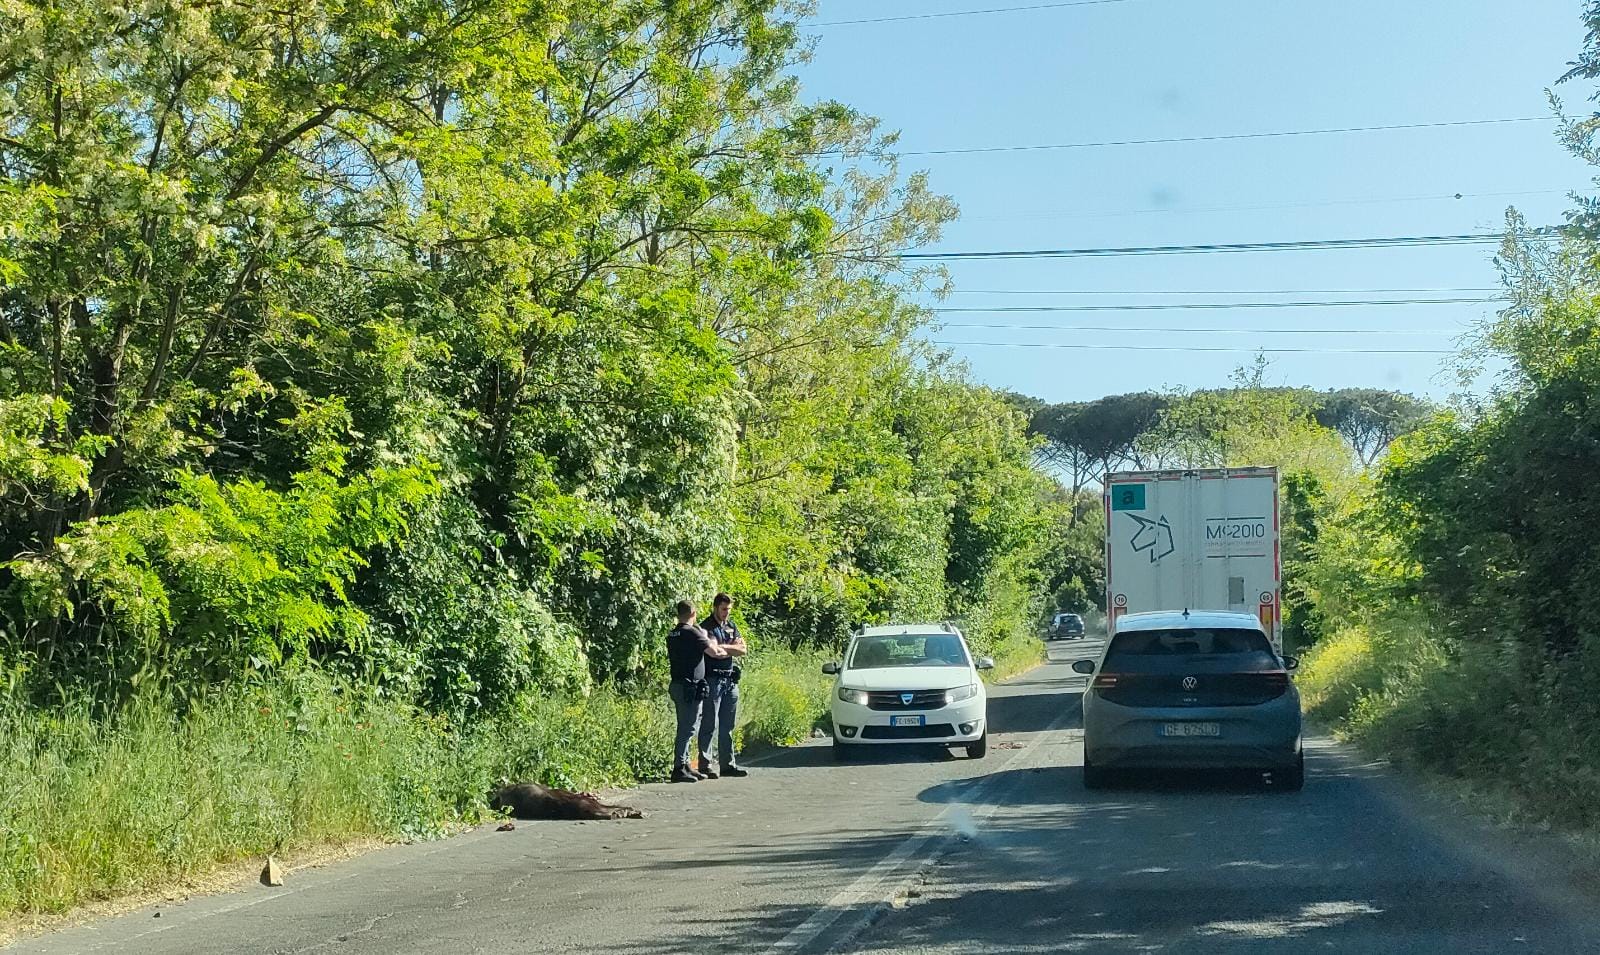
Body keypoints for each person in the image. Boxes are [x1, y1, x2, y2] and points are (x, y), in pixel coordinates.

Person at [667, 599, 727, 783]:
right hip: (690, 686)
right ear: (693, 613)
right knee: (688, 727)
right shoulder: (693, 632)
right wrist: (717, 645)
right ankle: (679, 767)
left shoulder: (672, 633)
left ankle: (684, 765)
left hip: (677, 683)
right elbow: (714, 652)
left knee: (686, 725)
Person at [698, 593, 749, 778]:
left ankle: (728, 764)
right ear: (715, 607)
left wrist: (724, 647)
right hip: (713, 679)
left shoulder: (731, 626)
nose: (726, 613)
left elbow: (743, 650)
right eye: (723, 609)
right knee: (709, 723)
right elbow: (714, 653)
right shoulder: (706, 627)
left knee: (728, 725)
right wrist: (730, 648)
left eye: (728, 609)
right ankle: (705, 764)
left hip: (730, 680)